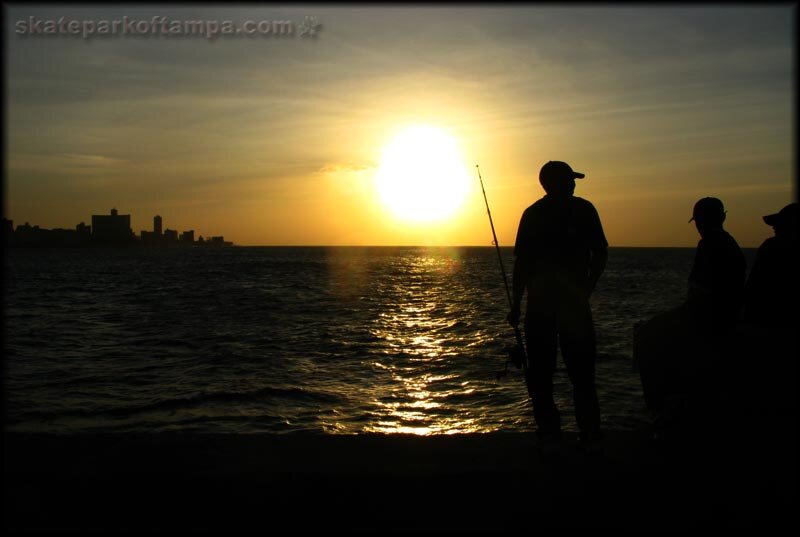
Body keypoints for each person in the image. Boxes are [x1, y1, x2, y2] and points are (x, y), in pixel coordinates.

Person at [507, 161, 608, 453]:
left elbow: (521, 266)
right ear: (559, 182)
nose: (575, 184)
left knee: (541, 375)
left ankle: (550, 433)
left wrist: (516, 304)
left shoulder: (532, 214)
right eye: (570, 180)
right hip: (572, 307)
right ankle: (589, 434)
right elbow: (600, 253)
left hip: (539, 308)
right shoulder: (585, 210)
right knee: (581, 375)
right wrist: (588, 287)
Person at [636, 197, 745, 436]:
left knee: (646, 335)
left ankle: (660, 409)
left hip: (709, 317)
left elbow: (702, 291)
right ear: (723, 216)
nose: (698, 226)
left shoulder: (710, 244)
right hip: (721, 314)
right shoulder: (727, 243)